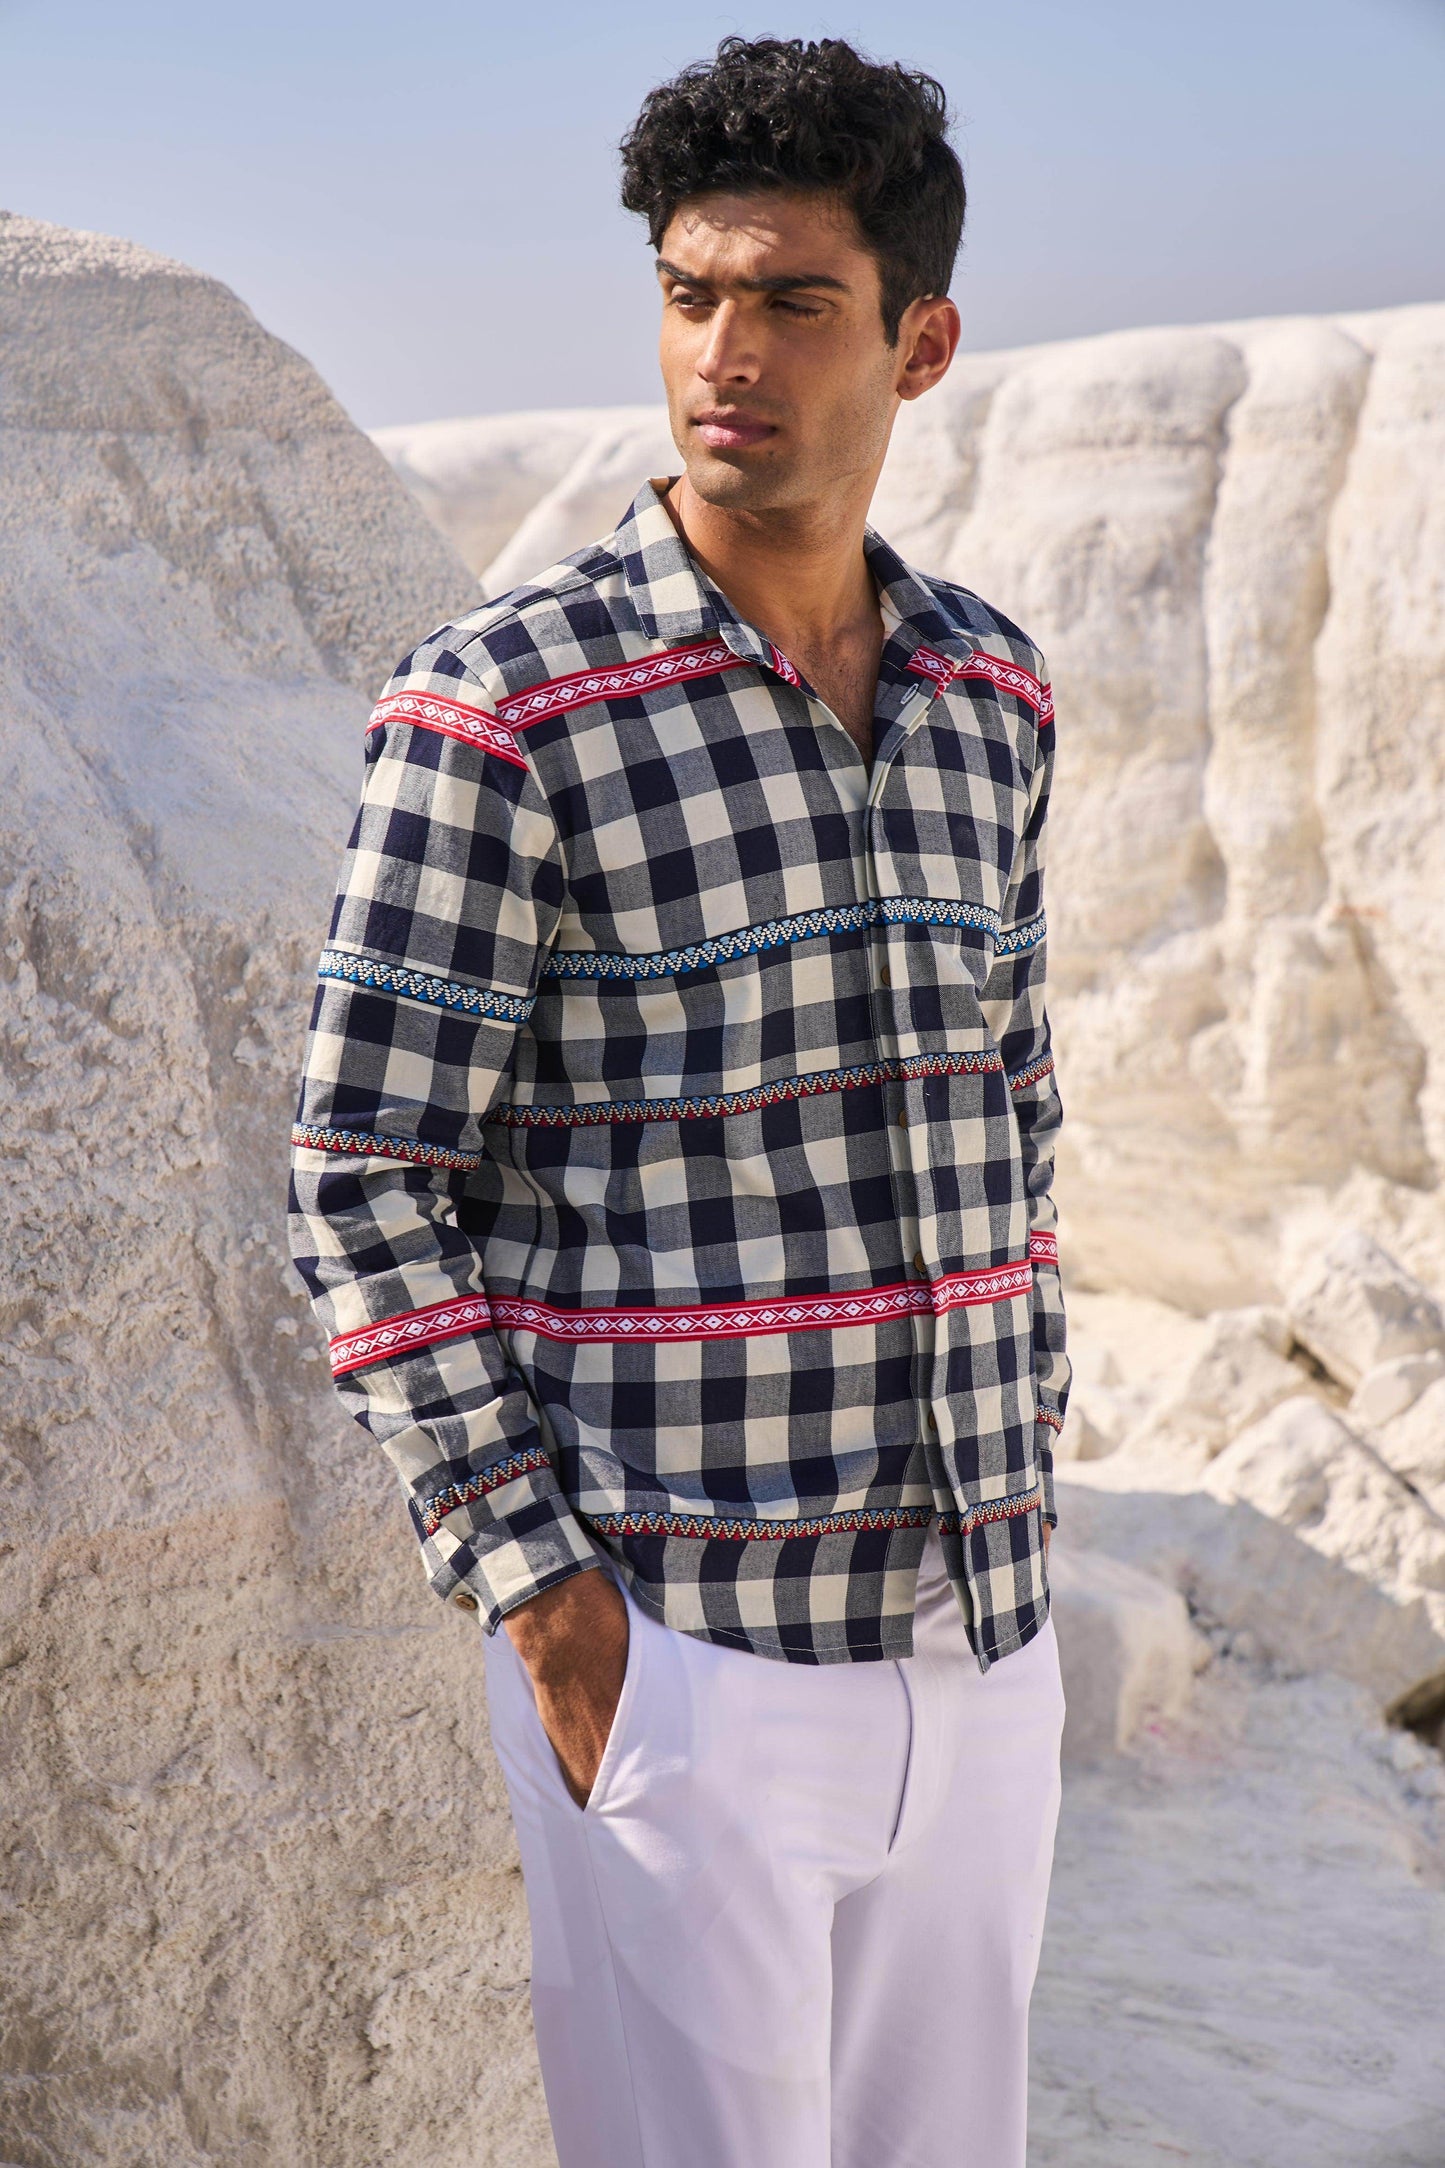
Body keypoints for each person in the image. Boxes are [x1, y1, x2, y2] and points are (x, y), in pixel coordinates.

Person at [289, 34, 1068, 2167]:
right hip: (680, 1661)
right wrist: (543, 1597)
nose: (726, 353)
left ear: (919, 345)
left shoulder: (990, 695)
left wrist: (1030, 1449)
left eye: (794, 300)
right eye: (689, 293)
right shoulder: (501, 706)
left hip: (981, 1645)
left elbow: (1012, 1098)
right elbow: (363, 1175)